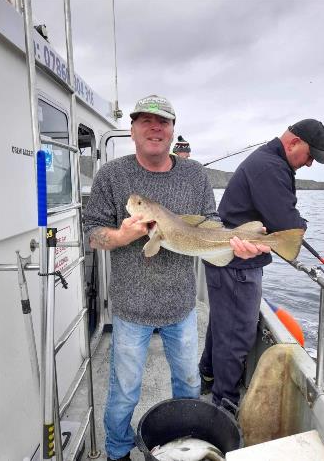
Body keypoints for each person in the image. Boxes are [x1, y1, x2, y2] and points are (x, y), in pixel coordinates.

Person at [83, 94, 269, 461]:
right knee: (124, 391)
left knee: (188, 383)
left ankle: (185, 448)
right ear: (133, 130)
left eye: (163, 122)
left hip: (181, 305)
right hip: (130, 307)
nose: (155, 128)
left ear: (172, 131)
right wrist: (121, 237)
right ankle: (117, 452)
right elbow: (91, 232)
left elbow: (212, 222)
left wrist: (235, 244)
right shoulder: (112, 175)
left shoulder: (195, 174)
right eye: (145, 121)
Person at [199, 118, 324, 412]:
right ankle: (224, 404)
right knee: (238, 334)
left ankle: (207, 374)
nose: (309, 164)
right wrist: (301, 226)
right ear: (293, 143)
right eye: (310, 156)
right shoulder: (269, 167)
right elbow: (288, 225)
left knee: (221, 324)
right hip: (237, 264)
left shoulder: (269, 161)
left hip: (226, 259)